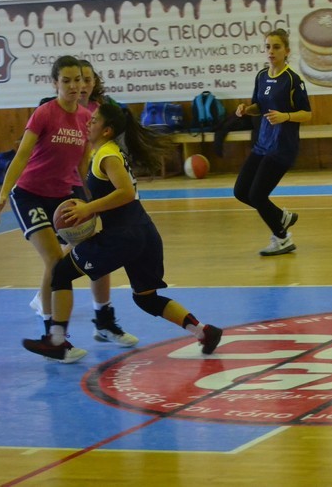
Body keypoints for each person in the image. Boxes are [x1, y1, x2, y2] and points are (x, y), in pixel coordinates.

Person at [21, 101, 223, 362]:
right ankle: (204, 332)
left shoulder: (107, 154)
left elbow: (125, 193)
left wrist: (87, 209)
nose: (88, 123)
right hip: (145, 234)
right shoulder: (108, 152)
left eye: (94, 120)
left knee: (60, 272)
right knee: (146, 299)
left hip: (124, 236)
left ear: (107, 130)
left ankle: (56, 341)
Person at [0, 56, 137, 348]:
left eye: (78, 80)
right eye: (66, 80)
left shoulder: (85, 117)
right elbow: (22, 155)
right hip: (30, 194)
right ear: (54, 83)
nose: (74, 86)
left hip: (64, 194)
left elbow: (82, 165)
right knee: (55, 261)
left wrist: (90, 200)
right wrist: (4, 192)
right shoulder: (44, 113)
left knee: (98, 252)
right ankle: (52, 335)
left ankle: (103, 321)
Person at [233, 28, 312, 257]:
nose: (271, 51)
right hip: (263, 143)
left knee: (257, 195)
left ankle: (282, 238)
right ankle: (281, 217)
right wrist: (246, 109)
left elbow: (307, 114)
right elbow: (259, 106)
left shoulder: (292, 80)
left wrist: (285, 116)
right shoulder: (261, 76)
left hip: (282, 147)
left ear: (286, 51)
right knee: (241, 191)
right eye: (267, 46)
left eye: (276, 47)